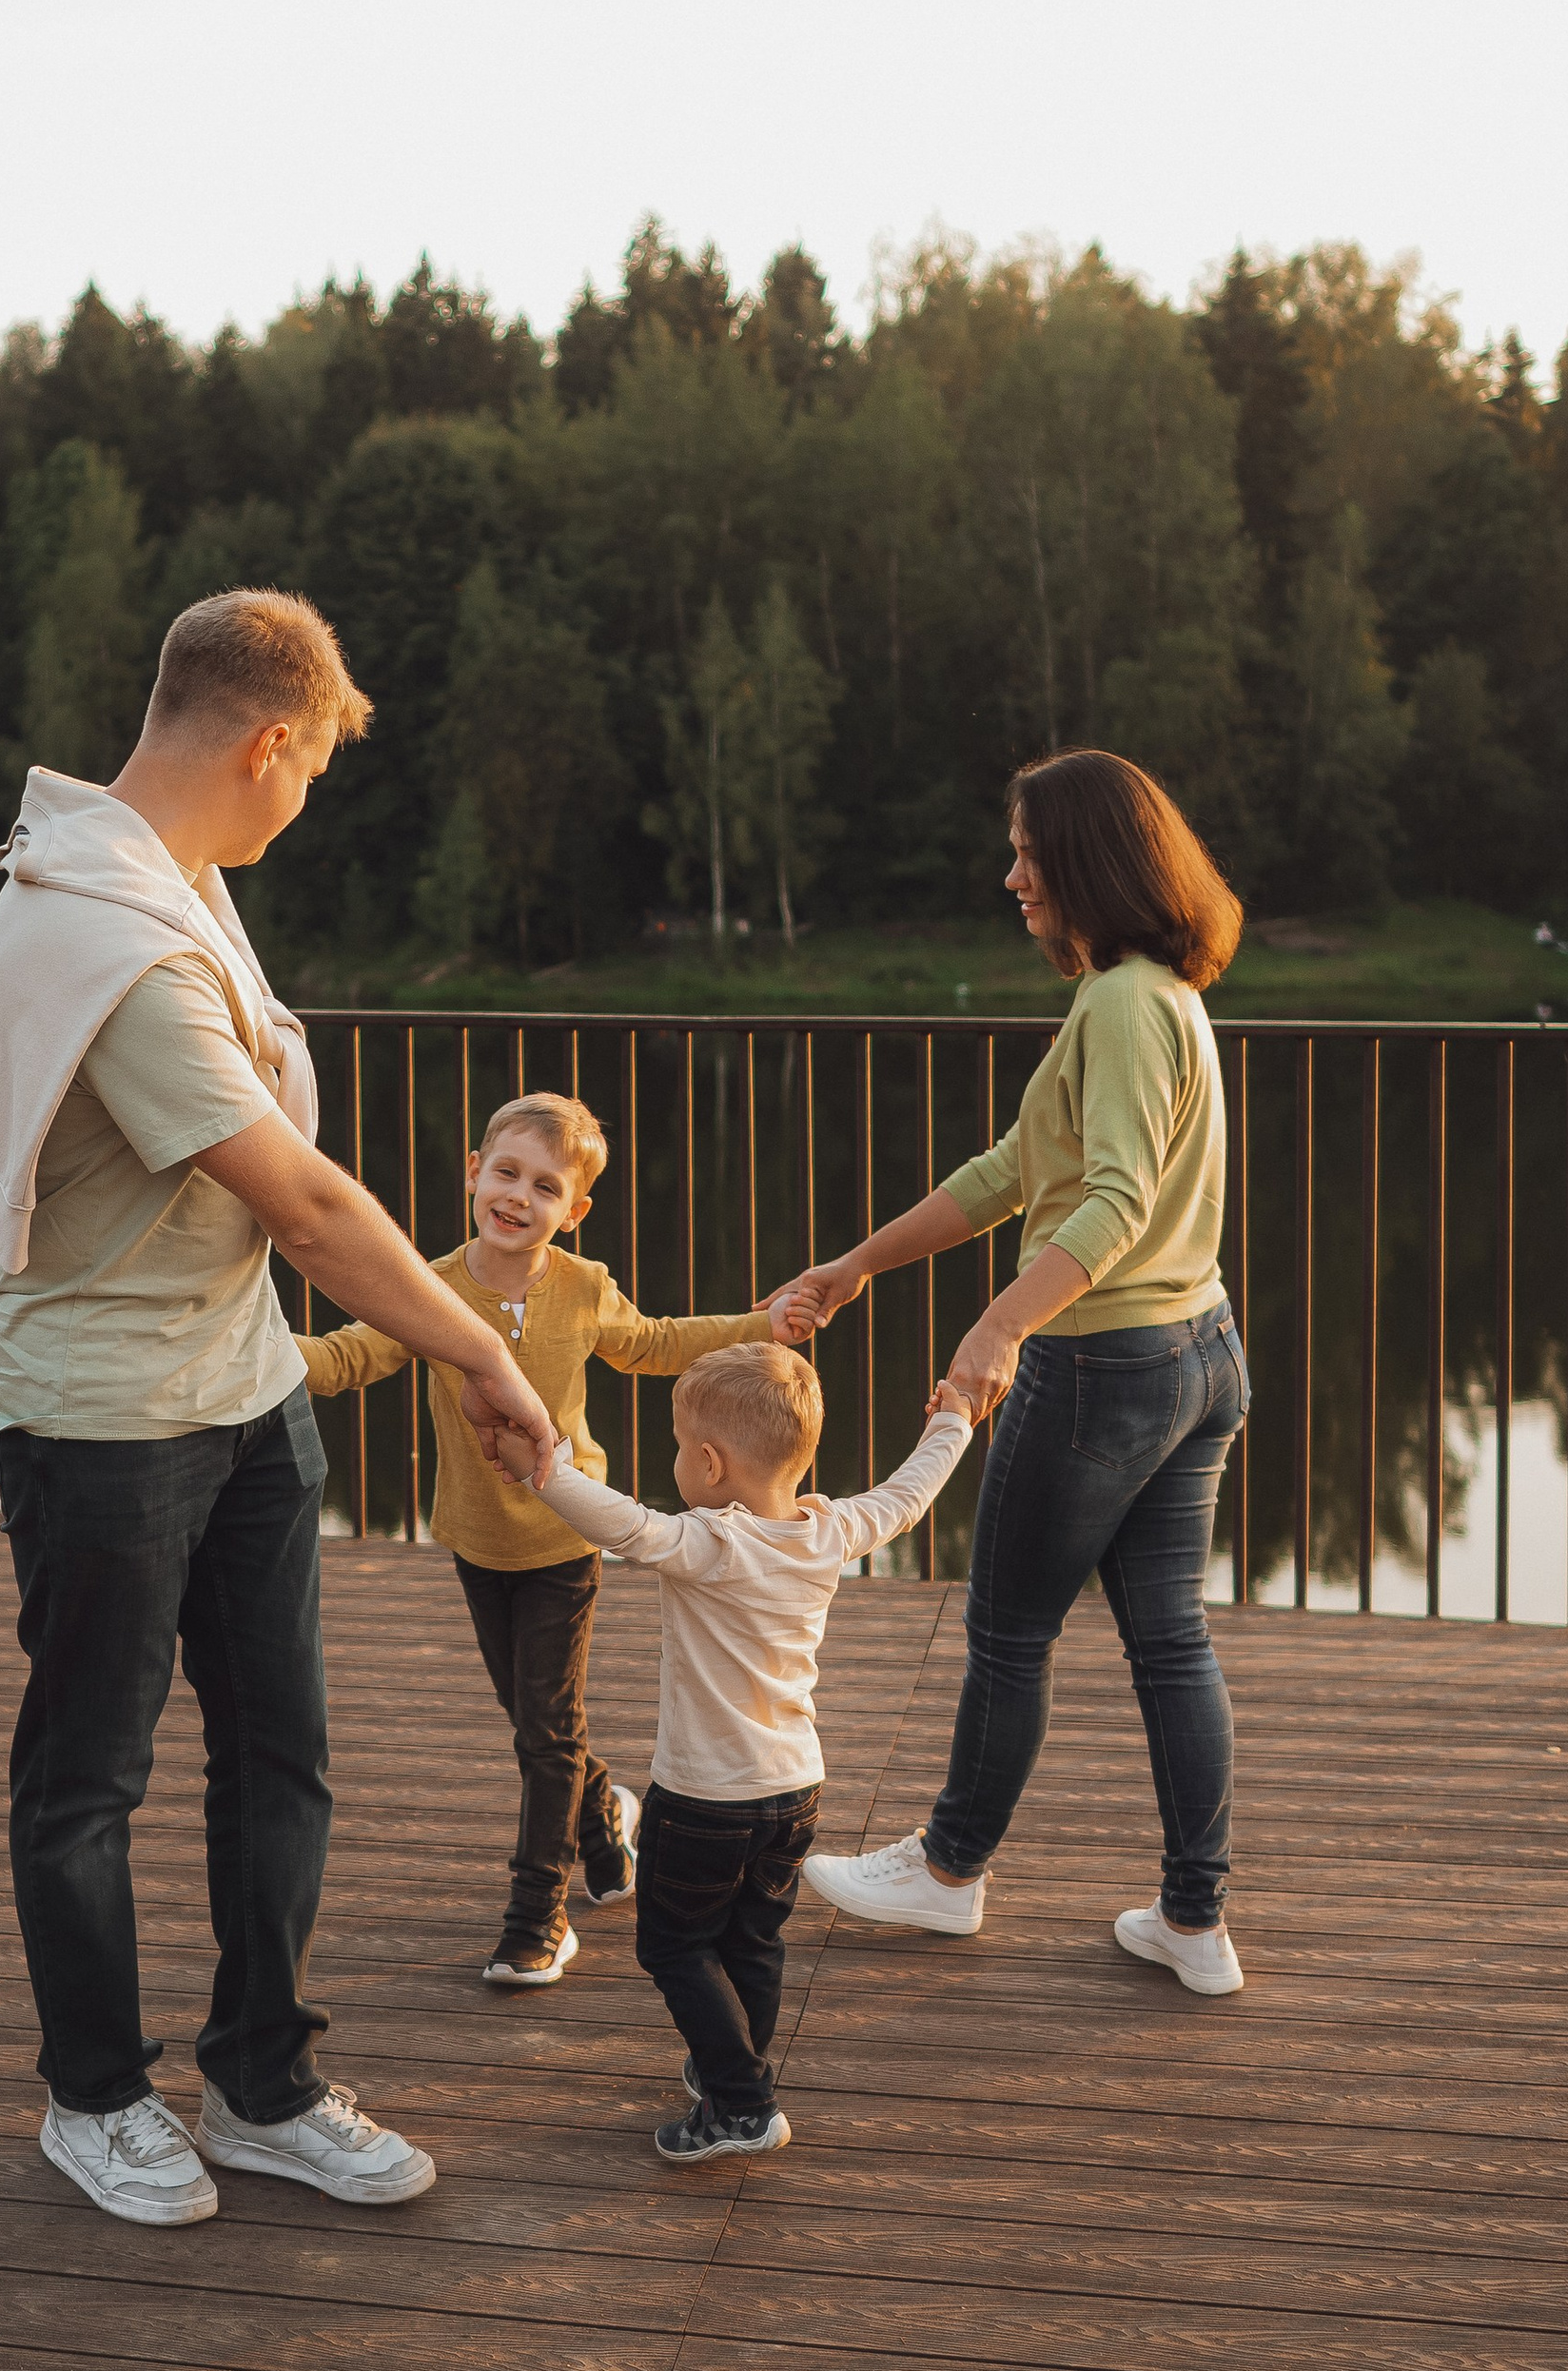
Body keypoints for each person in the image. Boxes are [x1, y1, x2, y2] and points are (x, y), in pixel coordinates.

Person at [0, 588, 557, 2230]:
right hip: (100, 1421)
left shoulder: (172, 878)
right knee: (90, 1778)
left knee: (282, 1756)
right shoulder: (108, 929)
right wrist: (486, 1352)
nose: (305, 805)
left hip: (240, 1390)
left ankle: (262, 2082)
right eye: (310, 773)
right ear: (269, 742)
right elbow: (306, 1205)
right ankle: (94, 2099)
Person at [781, 749, 1252, 1996]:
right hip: (1199, 1351)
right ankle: (1194, 1921)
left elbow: (1113, 1200)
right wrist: (857, 1262)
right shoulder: (1148, 994)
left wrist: (996, 1331)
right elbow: (1010, 1169)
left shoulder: (1123, 1004)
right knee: (1170, 1640)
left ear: (1091, 859)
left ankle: (948, 1871)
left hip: (1107, 1365)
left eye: (1029, 854)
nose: (1011, 876)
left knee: (1006, 1630)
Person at [299, 1089, 815, 1990]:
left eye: (544, 1187)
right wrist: (250, 1348)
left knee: (543, 1732)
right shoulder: (429, 1286)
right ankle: (603, 1828)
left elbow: (654, 1343)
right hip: (474, 1538)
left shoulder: (582, 1287)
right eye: (506, 1174)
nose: (518, 1197)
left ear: (572, 1210)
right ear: (473, 1173)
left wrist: (758, 1325)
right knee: (542, 1722)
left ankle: (539, 1912)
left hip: (565, 1543)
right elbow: (348, 1357)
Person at [486, 1343, 974, 2158]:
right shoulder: (829, 1529)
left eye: (680, 1447)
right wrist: (954, 1420)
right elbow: (908, 1497)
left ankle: (742, 2104)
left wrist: (544, 1465)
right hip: (795, 1789)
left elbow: (623, 1524)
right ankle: (730, 2062)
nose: (677, 1461)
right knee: (753, 1938)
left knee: (673, 1944)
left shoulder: (711, 1543)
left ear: (709, 1464)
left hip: (706, 1796)